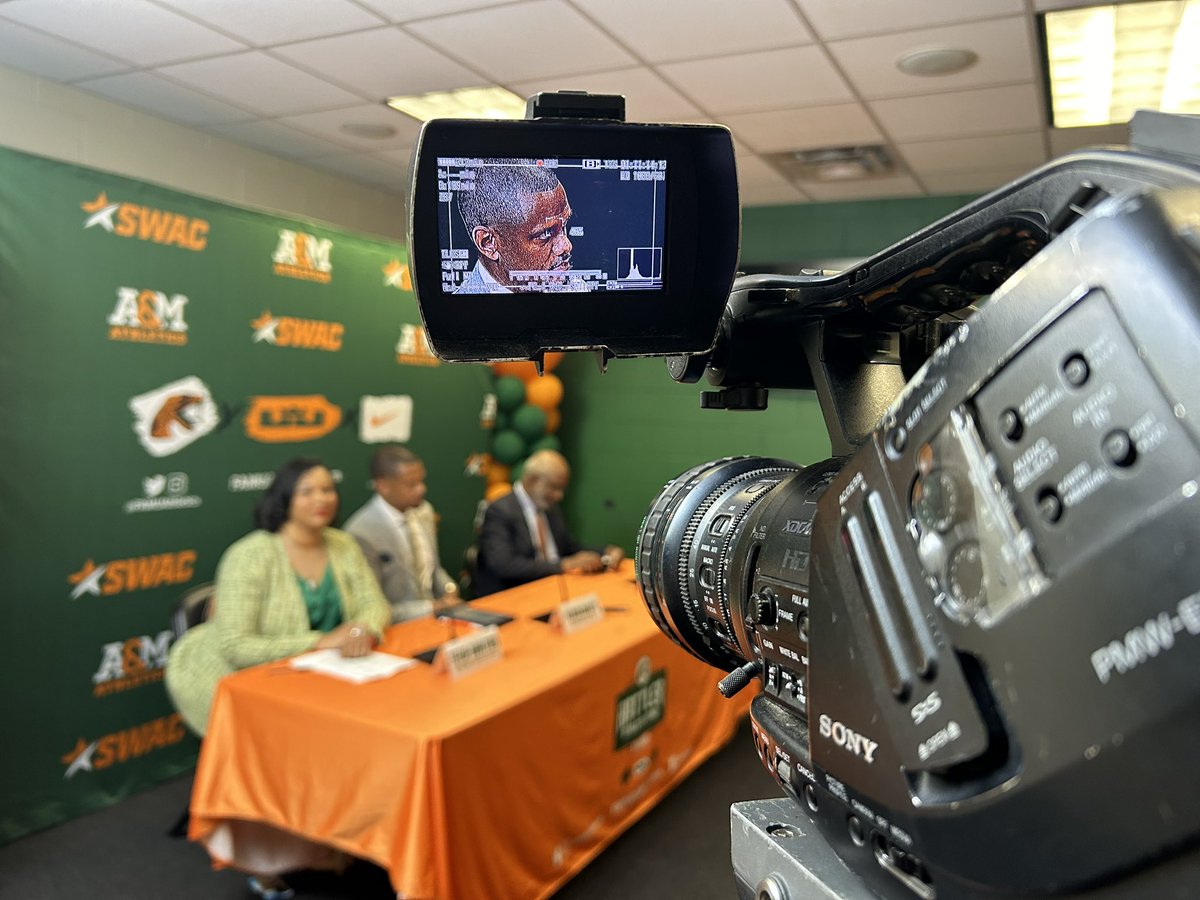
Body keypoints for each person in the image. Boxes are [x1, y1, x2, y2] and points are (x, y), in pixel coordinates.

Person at [165, 457, 389, 737]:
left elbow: (374, 603)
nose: (321, 499)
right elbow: (235, 646)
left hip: (325, 678)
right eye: (306, 491)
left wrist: (361, 629)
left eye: (328, 490)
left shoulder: (343, 544)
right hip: (248, 681)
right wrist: (320, 642)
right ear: (284, 499)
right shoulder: (249, 555)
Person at [473, 449, 624, 596]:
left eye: (561, 489)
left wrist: (605, 552)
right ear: (532, 480)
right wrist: (563, 565)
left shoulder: (550, 509)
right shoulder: (499, 511)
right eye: (554, 487)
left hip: (555, 590)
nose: (559, 495)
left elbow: (570, 548)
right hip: (517, 595)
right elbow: (504, 564)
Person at [343, 445, 458, 622]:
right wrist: (431, 608)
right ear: (383, 486)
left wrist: (450, 589)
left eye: (421, 481)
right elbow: (373, 609)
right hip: (397, 630)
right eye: (411, 484)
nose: (422, 489)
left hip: (439, 619)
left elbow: (434, 570)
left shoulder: (424, 511)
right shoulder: (360, 533)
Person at [453, 160, 586, 293]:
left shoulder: (578, 289)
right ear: (488, 243)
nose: (566, 246)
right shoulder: (455, 312)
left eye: (564, 226)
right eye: (545, 234)